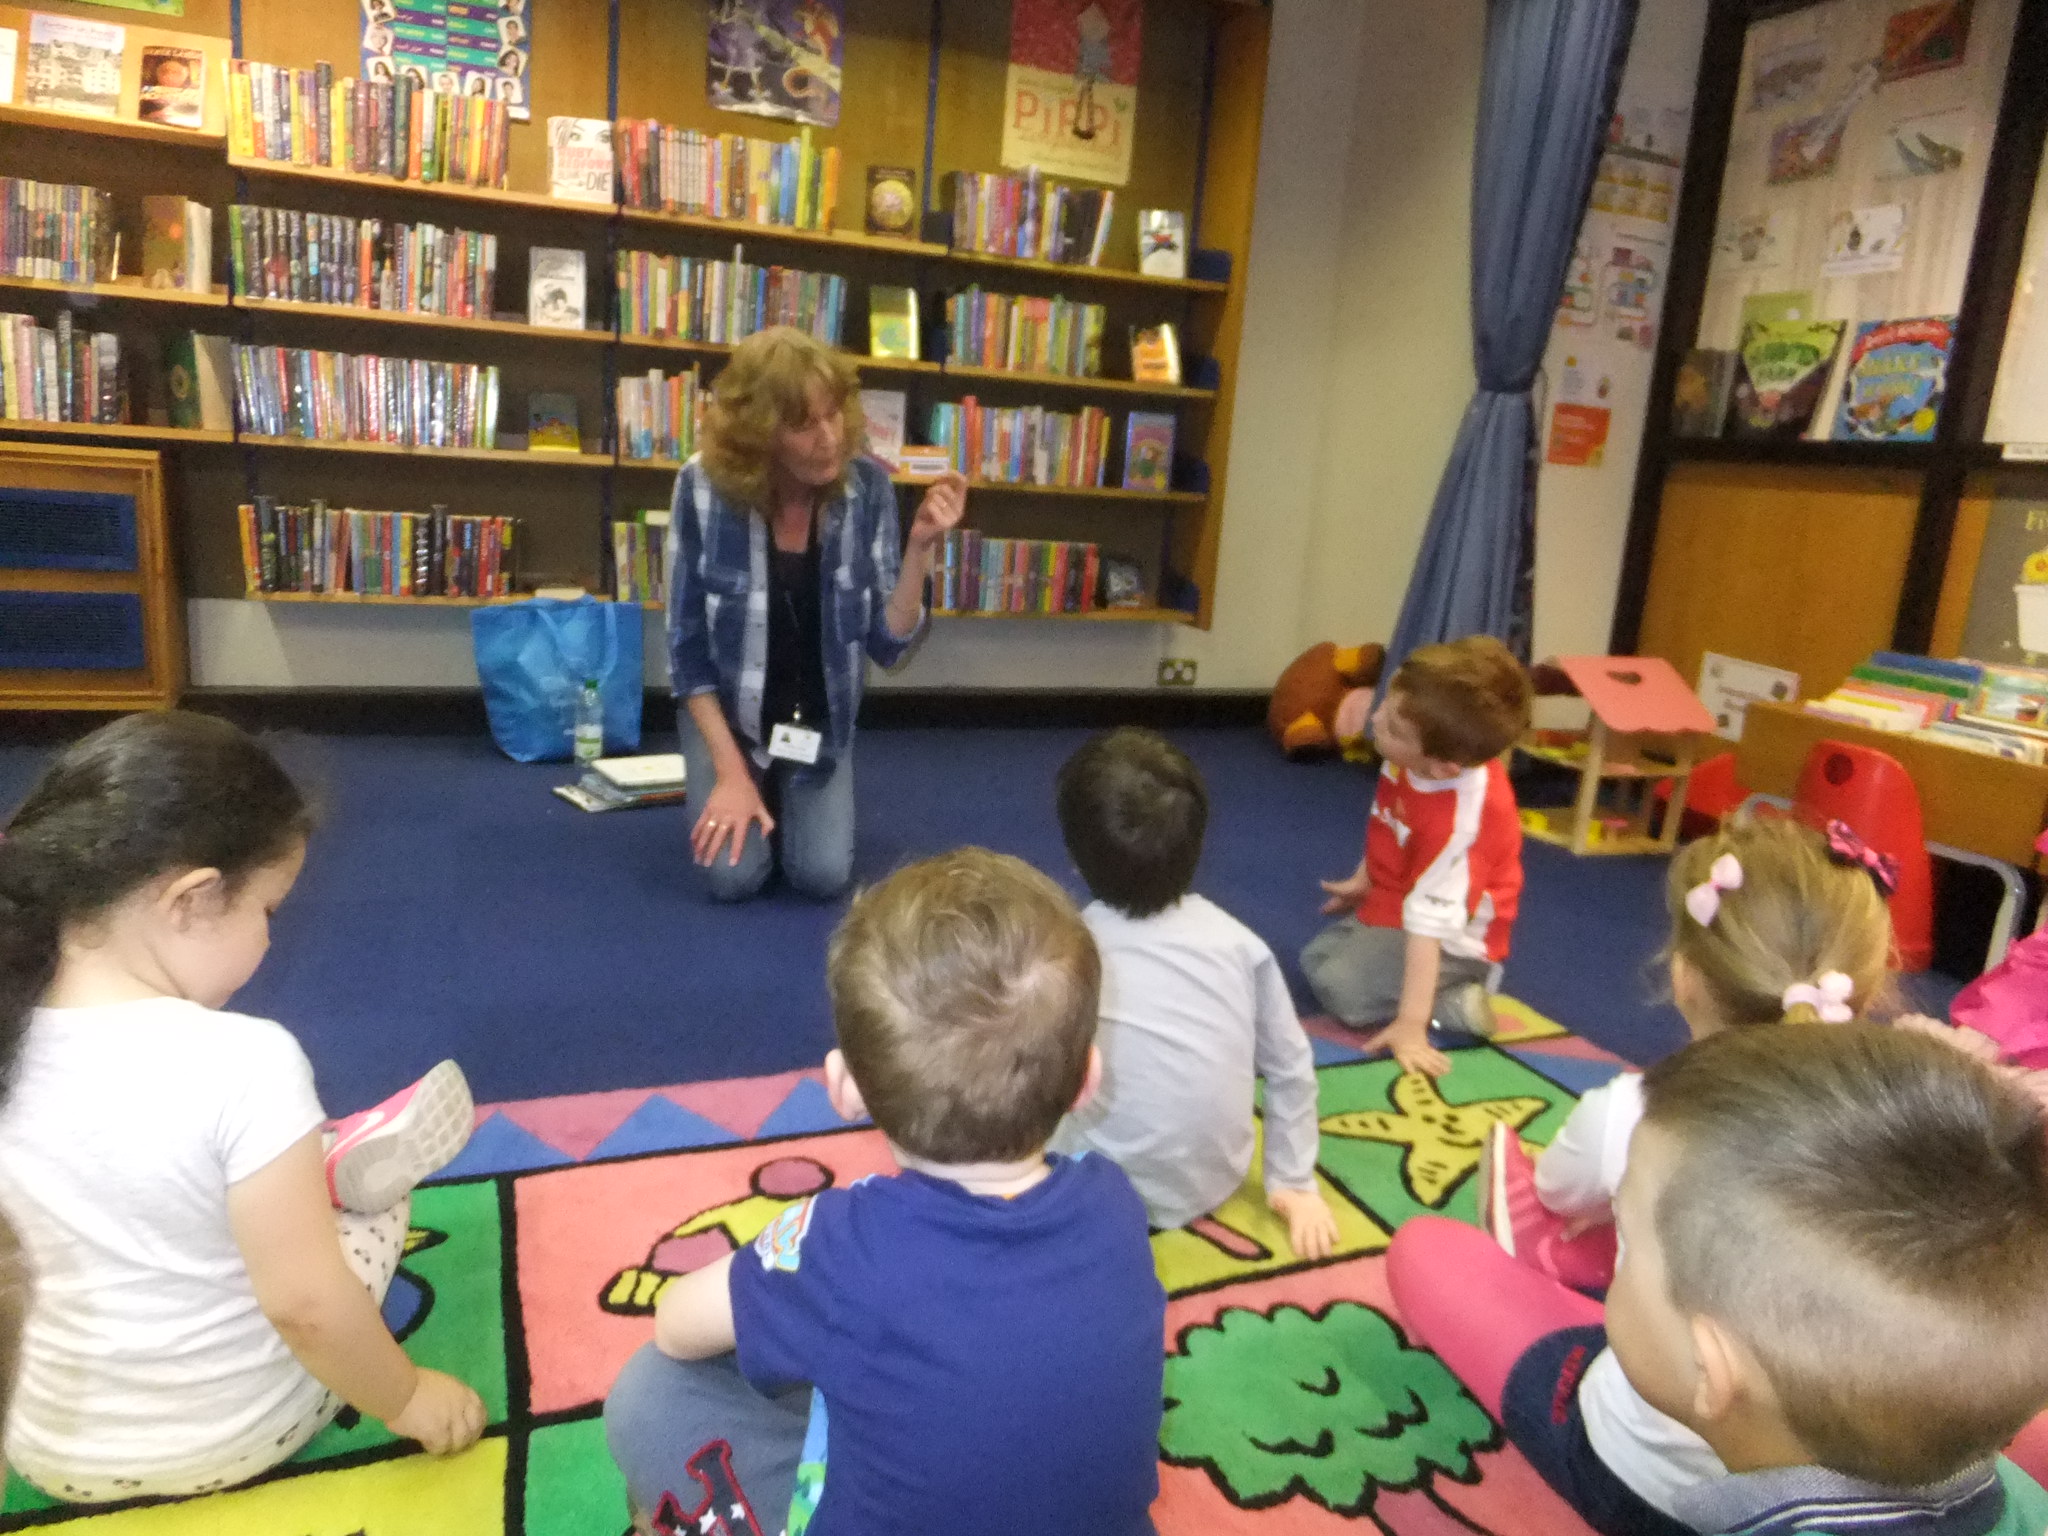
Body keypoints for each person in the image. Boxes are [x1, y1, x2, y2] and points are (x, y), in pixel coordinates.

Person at [604, 848, 1165, 1534]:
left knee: (649, 1392)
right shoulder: (1116, 1204)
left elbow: (675, 1324)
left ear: (845, 1088)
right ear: (1087, 1079)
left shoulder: (840, 1245)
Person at [0, 712, 485, 1501]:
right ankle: (325, 1175)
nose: (269, 940)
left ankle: (295, 1172)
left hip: (46, 1451)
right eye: (268, 910)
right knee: (372, 1213)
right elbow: (304, 1306)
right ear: (192, 899)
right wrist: (408, 1399)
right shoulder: (247, 1061)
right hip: (237, 1433)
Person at [1389, 1025, 2048, 1536]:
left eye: (1626, 1238)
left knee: (1424, 1249)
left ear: (1710, 1372)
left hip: (1626, 1479)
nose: (1621, 1254)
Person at [1478, 815, 1895, 1290]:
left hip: (1653, 1335)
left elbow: (1556, 1190)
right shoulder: (1899, 1136)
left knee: (1436, 1246)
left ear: (1684, 976)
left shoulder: (1635, 1112)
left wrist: (1610, 1197)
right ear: (1864, 994)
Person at [666, 326, 966, 902]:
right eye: (804, 425)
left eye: (833, 415)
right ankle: (747, 776)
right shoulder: (700, 488)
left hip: (818, 721)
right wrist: (729, 773)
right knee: (733, 880)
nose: (829, 438)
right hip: (731, 718)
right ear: (761, 433)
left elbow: (888, 644)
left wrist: (919, 550)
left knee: (822, 876)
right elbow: (686, 653)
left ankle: (782, 787)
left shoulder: (868, 489)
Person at [1048, 728, 1339, 1258]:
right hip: (1212, 1178)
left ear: (1074, 858)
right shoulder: (1241, 944)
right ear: (1197, 846)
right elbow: (1291, 1068)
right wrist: (1293, 1181)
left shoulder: (1066, 949)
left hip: (1094, 1184)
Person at [1302, 635, 1532, 1076]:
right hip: (1406, 897)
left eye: (1393, 728)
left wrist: (1411, 1025)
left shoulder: (1460, 823)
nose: (1376, 720)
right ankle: (1434, 991)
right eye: (1385, 705)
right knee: (1317, 958)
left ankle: (1456, 992)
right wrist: (1365, 880)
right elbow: (1390, 823)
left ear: (1443, 767)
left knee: (1342, 990)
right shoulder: (1408, 758)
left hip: (1454, 936)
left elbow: (1429, 929)